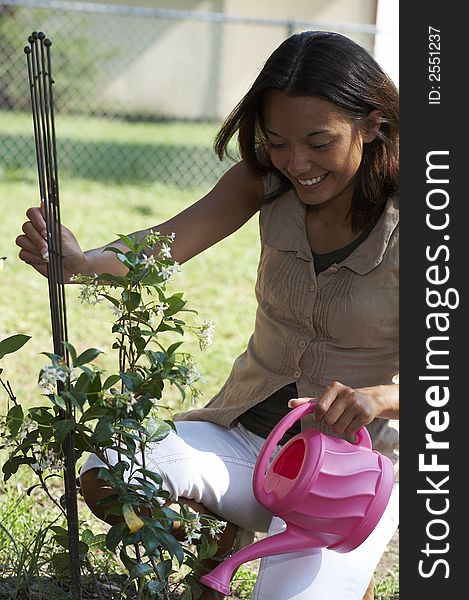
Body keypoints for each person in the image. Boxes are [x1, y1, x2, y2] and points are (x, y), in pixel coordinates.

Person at [17, 31, 399, 600]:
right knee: (110, 472)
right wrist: (80, 263)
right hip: (249, 440)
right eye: (278, 141)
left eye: (319, 142)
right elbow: (166, 242)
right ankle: (216, 539)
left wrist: (381, 397)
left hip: (354, 473)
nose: (297, 163)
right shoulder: (264, 181)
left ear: (371, 123)